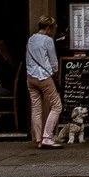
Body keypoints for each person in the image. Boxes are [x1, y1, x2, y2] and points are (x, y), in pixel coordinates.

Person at [24, 15, 63, 148]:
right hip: (44, 76)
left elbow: (28, 59)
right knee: (57, 105)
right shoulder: (47, 40)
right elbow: (53, 61)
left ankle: (38, 138)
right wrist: (55, 72)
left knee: (36, 108)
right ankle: (47, 136)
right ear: (48, 28)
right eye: (52, 29)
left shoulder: (31, 39)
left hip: (30, 77)